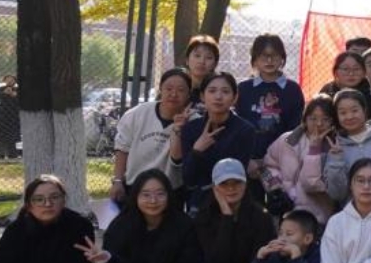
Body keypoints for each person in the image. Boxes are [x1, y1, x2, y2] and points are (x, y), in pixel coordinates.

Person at [170, 72, 259, 215]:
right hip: (199, 202)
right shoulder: (191, 128)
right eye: (212, 91)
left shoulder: (245, 130)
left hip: (232, 201)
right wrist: (197, 150)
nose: (218, 97)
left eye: (225, 91)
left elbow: (237, 175)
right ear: (202, 96)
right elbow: (188, 178)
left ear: (235, 98)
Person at [109, 68, 194, 203]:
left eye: (181, 90)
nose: (174, 94)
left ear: (189, 94)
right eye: (169, 88)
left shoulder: (194, 121)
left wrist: (179, 128)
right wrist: (118, 181)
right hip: (135, 186)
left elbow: (178, 159)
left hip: (171, 191)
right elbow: (122, 148)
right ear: (160, 89)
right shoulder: (137, 113)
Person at [264, 97, 341, 223]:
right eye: (313, 118)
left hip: (318, 217)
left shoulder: (335, 147)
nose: (319, 124)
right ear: (305, 118)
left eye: (325, 119)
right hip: (287, 212)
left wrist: (315, 150)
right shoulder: (287, 140)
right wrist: (275, 186)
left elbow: (312, 185)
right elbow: (268, 165)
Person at [236, 34, 305, 155]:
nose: (269, 60)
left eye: (274, 55)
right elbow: (238, 125)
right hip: (248, 155)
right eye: (264, 55)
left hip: (283, 156)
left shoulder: (292, 89)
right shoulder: (243, 89)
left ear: (282, 57)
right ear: (255, 59)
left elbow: (296, 127)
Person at [321, 52, 371, 120]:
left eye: (356, 69)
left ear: (364, 72)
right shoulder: (326, 96)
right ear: (336, 72)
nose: (351, 73)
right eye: (345, 69)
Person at [0, 74, 19, 157]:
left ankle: (12, 154)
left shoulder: (17, 90)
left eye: (12, 79)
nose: (9, 81)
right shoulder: (1, 89)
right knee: (0, 136)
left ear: (15, 81)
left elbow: (22, 100)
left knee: (12, 136)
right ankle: (0, 154)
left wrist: (14, 95)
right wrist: (4, 93)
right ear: (4, 81)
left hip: (13, 115)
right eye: (7, 79)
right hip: (2, 115)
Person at [184, 35, 220, 100]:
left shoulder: (219, 91)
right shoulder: (178, 86)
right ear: (187, 60)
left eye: (208, 57)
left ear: (215, 64)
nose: (202, 61)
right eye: (197, 56)